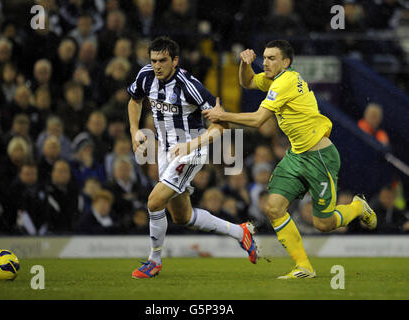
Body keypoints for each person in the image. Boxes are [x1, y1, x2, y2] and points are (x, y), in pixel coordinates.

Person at [203, 40, 377, 279]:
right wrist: (245, 64)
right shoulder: (276, 78)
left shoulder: (284, 82)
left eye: (271, 58)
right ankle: (303, 266)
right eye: (264, 57)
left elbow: (258, 120)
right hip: (297, 155)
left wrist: (222, 115)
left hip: (320, 157)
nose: (265, 62)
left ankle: (358, 206)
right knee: (273, 207)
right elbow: (248, 82)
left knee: (323, 224)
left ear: (285, 62)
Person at [128, 36, 258, 279]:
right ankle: (241, 233)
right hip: (167, 152)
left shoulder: (190, 86)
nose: (157, 66)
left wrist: (190, 145)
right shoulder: (145, 76)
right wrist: (135, 131)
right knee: (182, 217)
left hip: (192, 151)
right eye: (154, 60)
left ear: (175, 60)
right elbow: (134, 101)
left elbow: (222, 125)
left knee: (154, 202)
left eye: (163, 60)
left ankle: (153, 261)